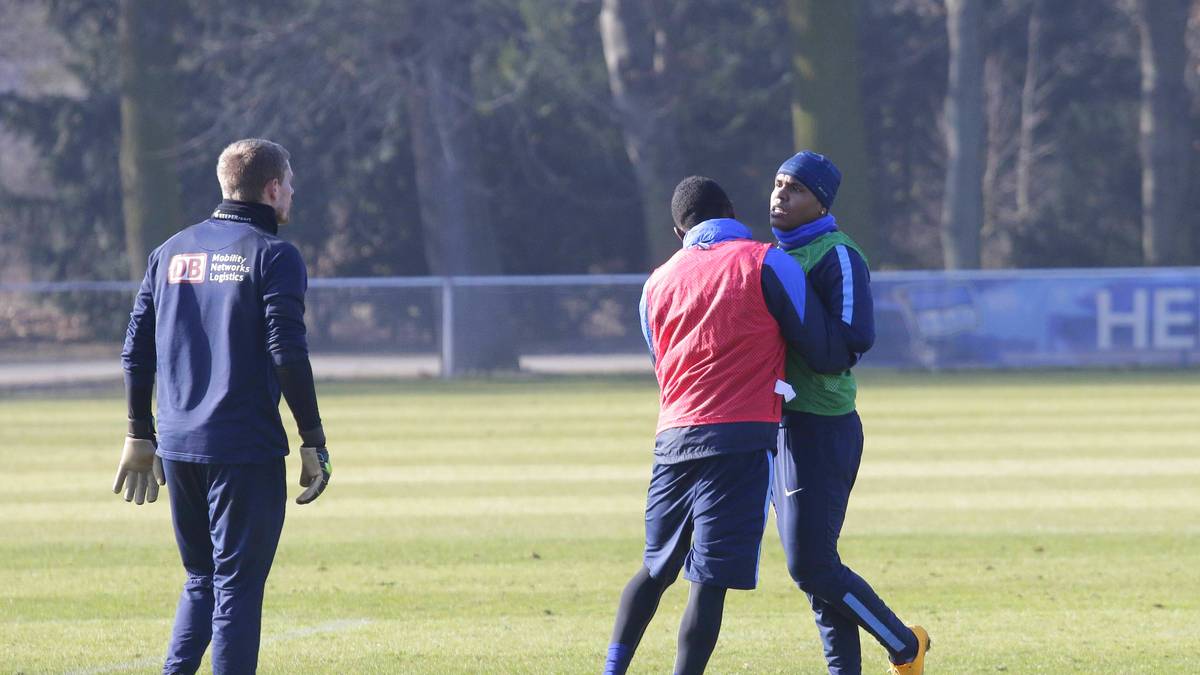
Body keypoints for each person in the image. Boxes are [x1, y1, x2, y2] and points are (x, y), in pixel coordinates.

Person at [603, 176, 853, 675]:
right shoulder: (766, 260)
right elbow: (824, 349)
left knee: (655, 569)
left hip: (673, 437)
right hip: (741, 438)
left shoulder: (655, 283)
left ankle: (612, 669)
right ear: (732, 211)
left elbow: (662, 362)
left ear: (680, 231)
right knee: (708, 580)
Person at [114, 138, 332, 674]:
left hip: (179, 445)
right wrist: (313, 439)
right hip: (243, 446)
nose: (292, 194)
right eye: (290, 184)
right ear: (272, 187)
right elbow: (287, 350)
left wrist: (139, 432)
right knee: (236, 586)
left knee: (201, 579)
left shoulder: (169, 252)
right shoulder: (275, 254)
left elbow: (135, 350)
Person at [768, 151, 930, 675]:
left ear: (820, 202)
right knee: (815, 568)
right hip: (777, 425)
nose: (779, 195)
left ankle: (905, 645)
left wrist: (796, 322)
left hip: (821, 424)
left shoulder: (837, 254)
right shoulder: (769, 254)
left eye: (793, 188)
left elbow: (853, 339)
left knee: (810, 563)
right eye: (776, 184)